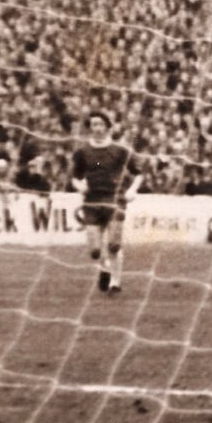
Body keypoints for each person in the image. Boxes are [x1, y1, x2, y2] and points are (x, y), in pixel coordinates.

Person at [70, 111, 142, 294]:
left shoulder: (120, 150)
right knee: (95, 250)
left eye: (101, 124)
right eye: (94, 125)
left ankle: (115, 283)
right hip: (92, 201)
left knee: (114, 245)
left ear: (108, 127)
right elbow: (74, 178)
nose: (98, 128)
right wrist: (80, 187)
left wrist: (132, 190)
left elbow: (139, 173)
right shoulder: (82, 152)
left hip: (114, 200)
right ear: (90, 128)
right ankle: (105, 268)